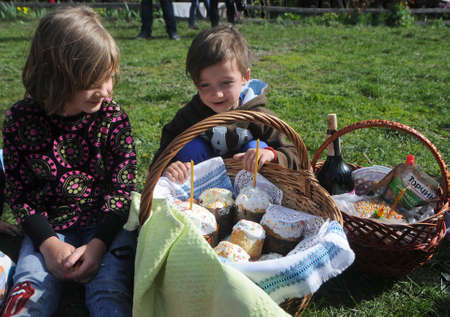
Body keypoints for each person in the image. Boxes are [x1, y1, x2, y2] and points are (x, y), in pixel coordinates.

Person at [1, 6, 137, 317]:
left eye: (109, 77)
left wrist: (99, 245)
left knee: (110, 286)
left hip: (106, 225)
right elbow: (19, 192)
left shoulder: (111, 117)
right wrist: (48, 244)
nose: (106, 91)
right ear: (56, 78)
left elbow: (121, 189)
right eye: (93, 82)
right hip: (47, 227)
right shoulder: (21, 120)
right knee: (29, 284)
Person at [151, 25, 300, 183]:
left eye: (226, 83)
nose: (217, 94)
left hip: (251, 190)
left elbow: (295, 155)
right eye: (205, 85)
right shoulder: (191, 114)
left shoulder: (259, 115)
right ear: (196, 84)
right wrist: (170, 167)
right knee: (190, 147)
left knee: (257, 147)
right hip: (201, 188)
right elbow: (164, 153)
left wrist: (271, 155)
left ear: (245, 77)